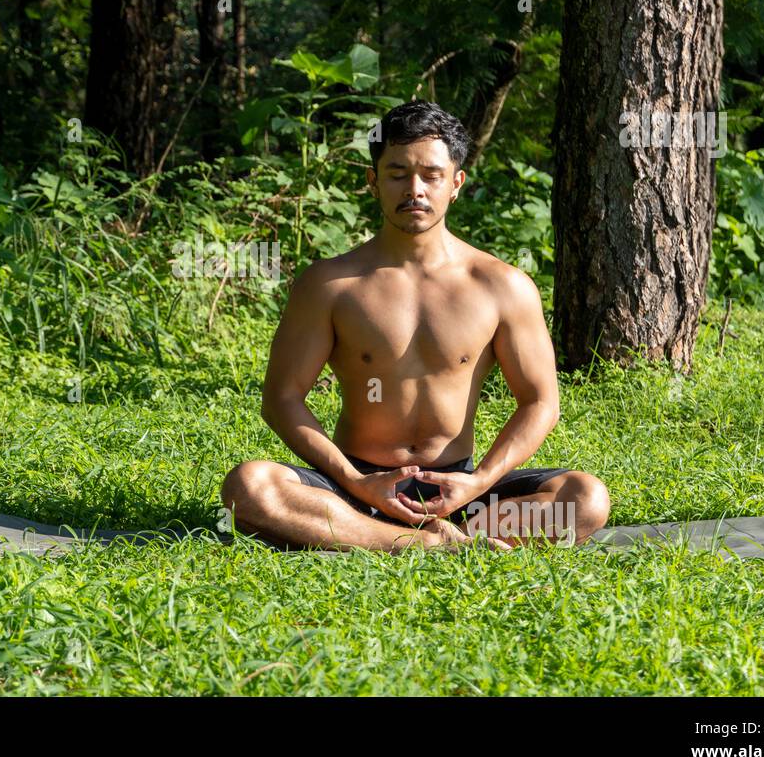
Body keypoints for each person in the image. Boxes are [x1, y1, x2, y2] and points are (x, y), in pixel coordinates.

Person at [219, 101, 610, 553]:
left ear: (456, 183)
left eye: (431, 174)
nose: (415, 189)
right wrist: (354, 480)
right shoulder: (329, 285)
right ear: (373, 182)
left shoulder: (502, 286)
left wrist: (479, 481)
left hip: (461, 492)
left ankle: (410, 536)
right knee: (248, 488)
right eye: (397, 173)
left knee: (586, 499)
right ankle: (424, 544)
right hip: (355, 489)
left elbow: (540, 402)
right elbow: (281, 399)